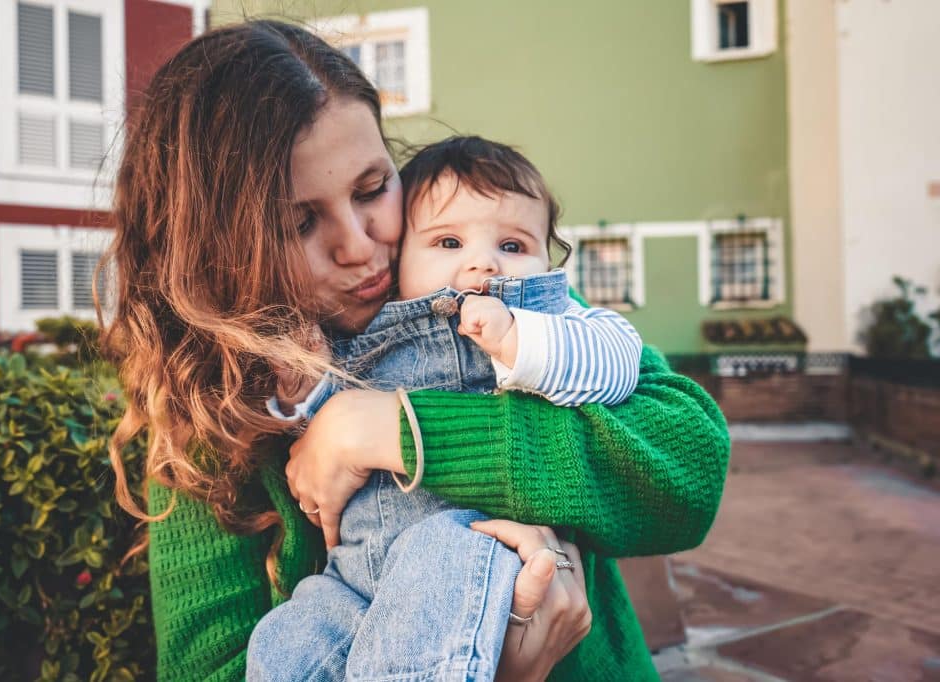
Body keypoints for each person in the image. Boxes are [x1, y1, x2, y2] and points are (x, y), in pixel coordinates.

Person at [99, 19, 730, 682]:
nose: (359, 245)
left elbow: (690, 468)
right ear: (219, 249)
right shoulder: (209, 418)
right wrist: (505, 669)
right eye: (300, 223)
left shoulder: (484, 287)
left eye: (373, 189)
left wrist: (395, 431)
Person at [247, 136, 644, 681]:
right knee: (285, 642)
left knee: (433, 588)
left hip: (464, 555)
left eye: (513, 246)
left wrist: (522, 344)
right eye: (449, 242)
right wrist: (303, 392)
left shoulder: (550, 323)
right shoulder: (377, 330)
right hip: (355, 578)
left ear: (549, 260)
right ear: (402, 257)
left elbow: (619, 360)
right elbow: (329, 436)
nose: (482, 262)